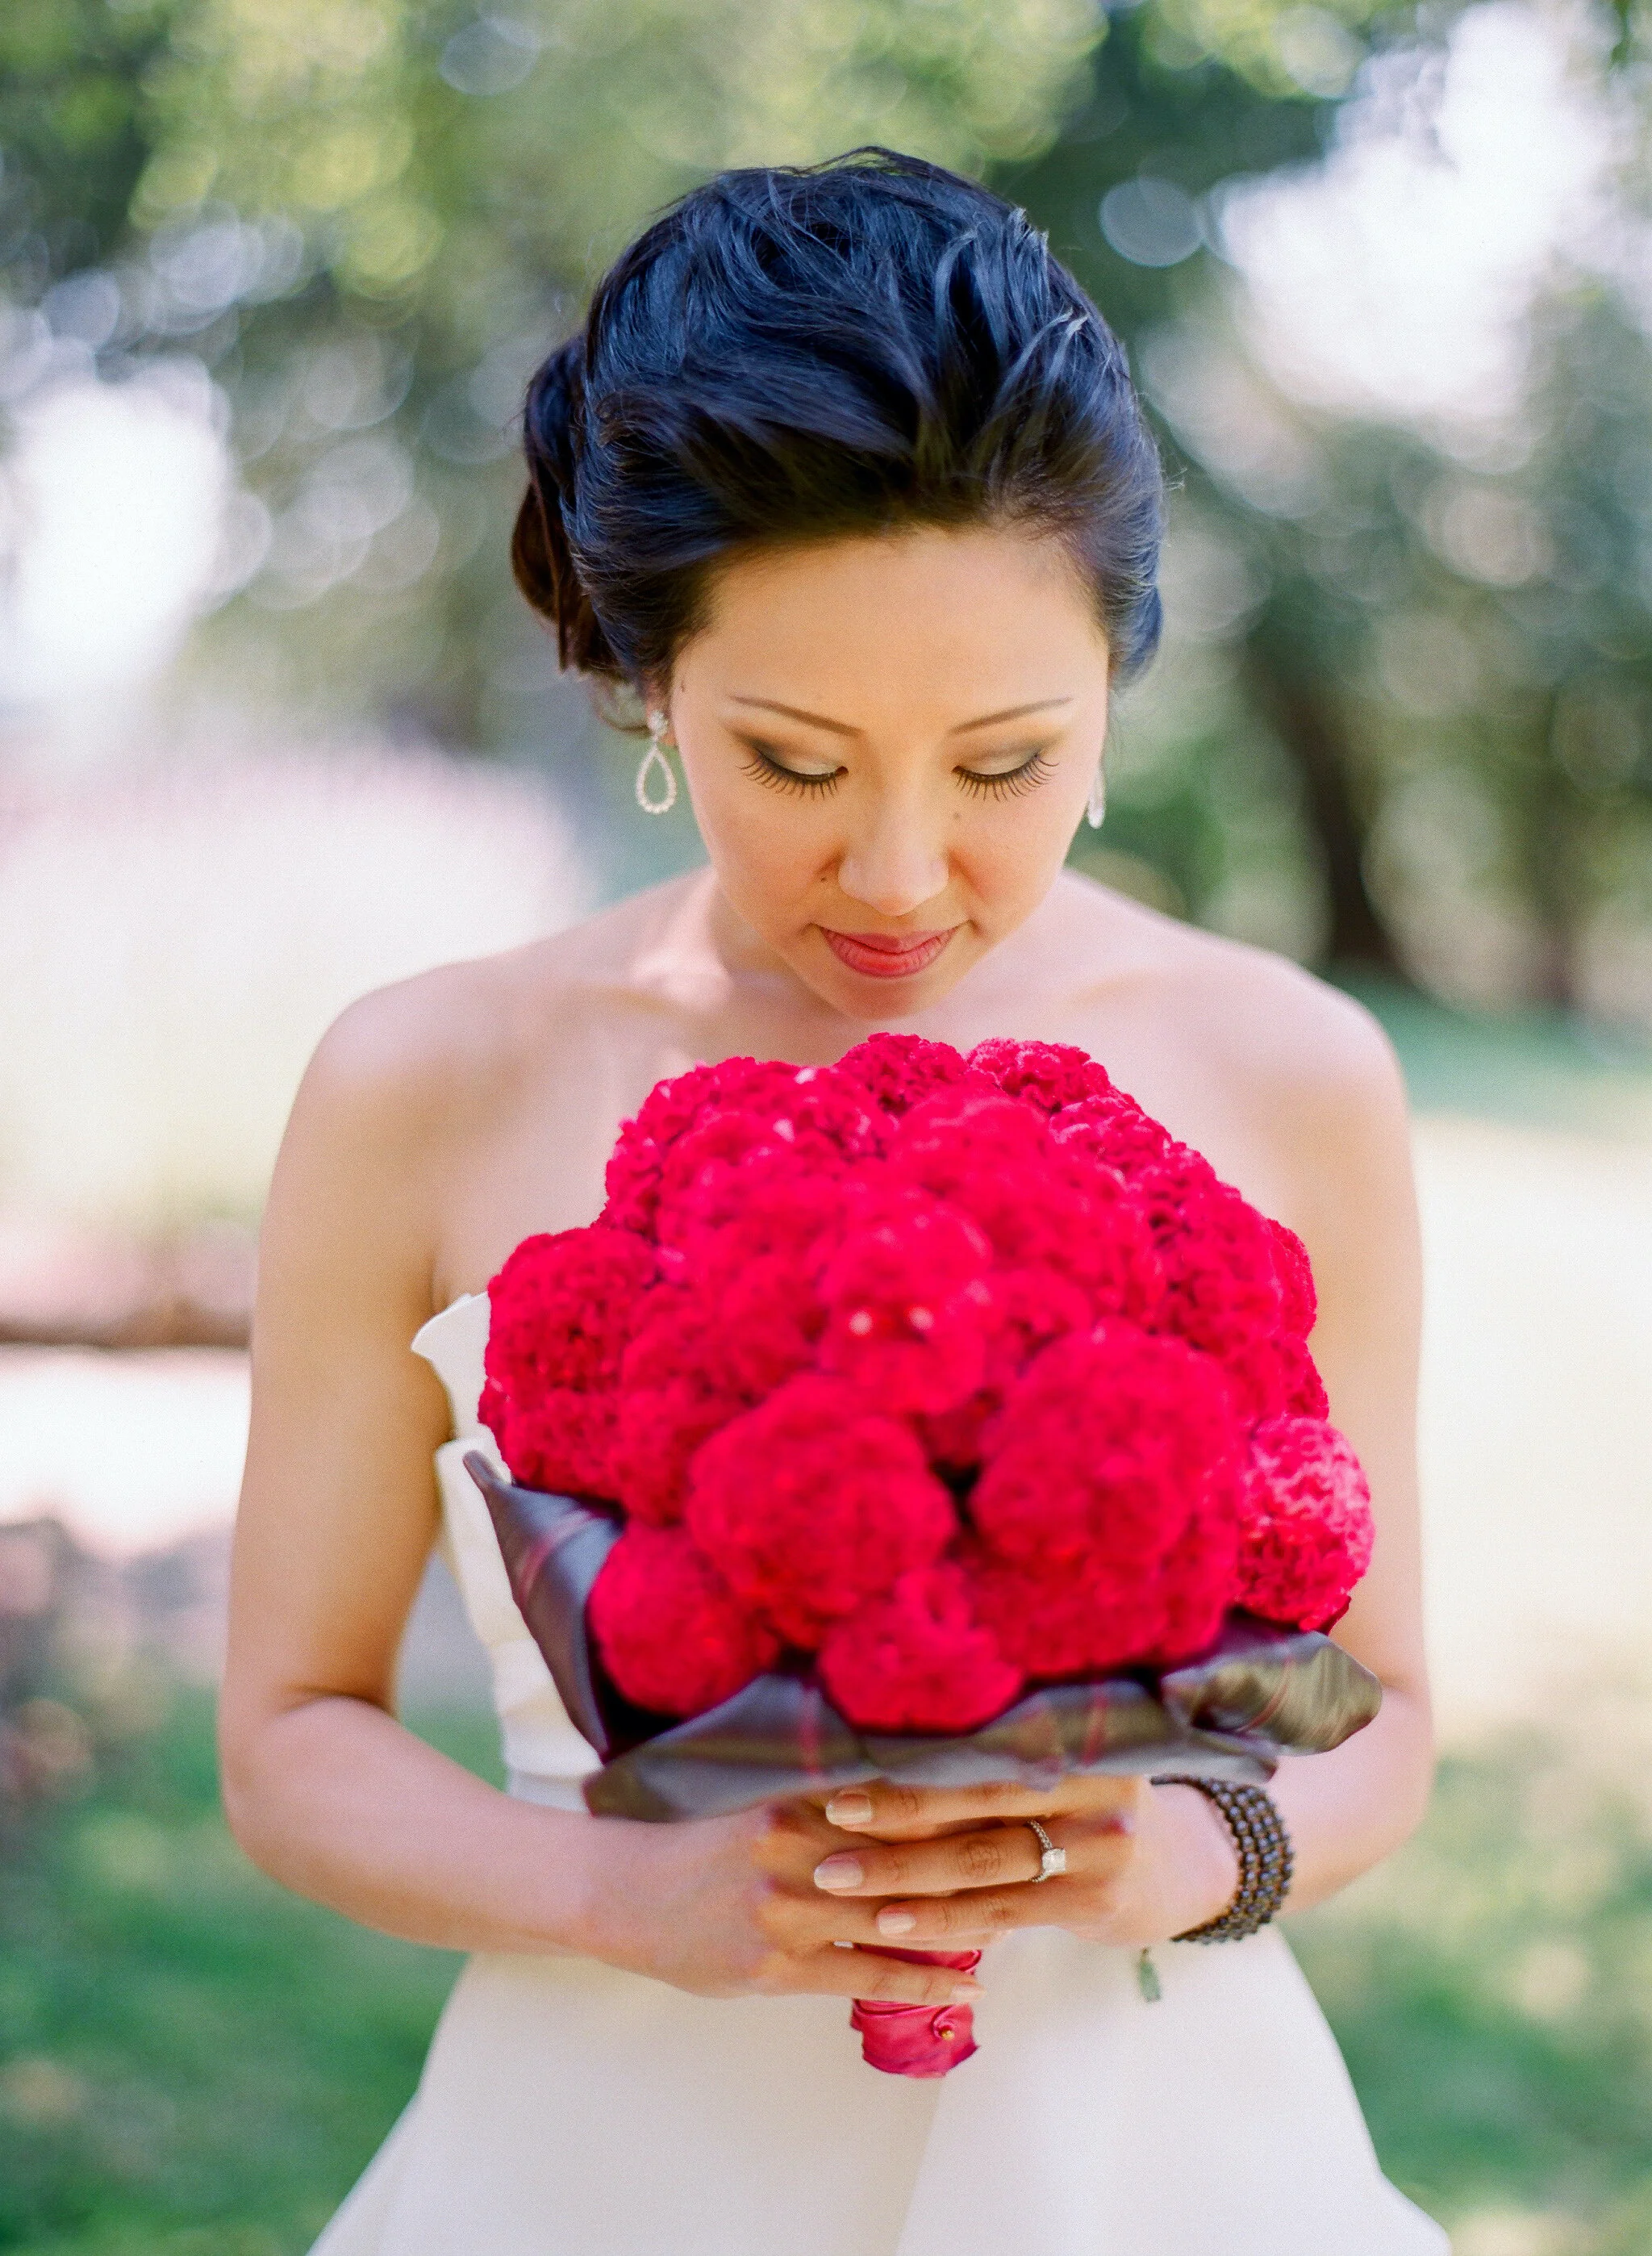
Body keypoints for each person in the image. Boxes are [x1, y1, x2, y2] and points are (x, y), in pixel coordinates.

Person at [221, 151, 1448, 2254]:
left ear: (1113, 697)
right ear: (645, 673)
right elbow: (289, 1733)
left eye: (1002, 762)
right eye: (794, 758)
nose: (896, 874)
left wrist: (1193, 1853)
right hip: (604, 2160)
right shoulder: (427, 1085)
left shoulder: (1291, 1072)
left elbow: (1387, 1715)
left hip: (1150, 2161)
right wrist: (631, 1893)